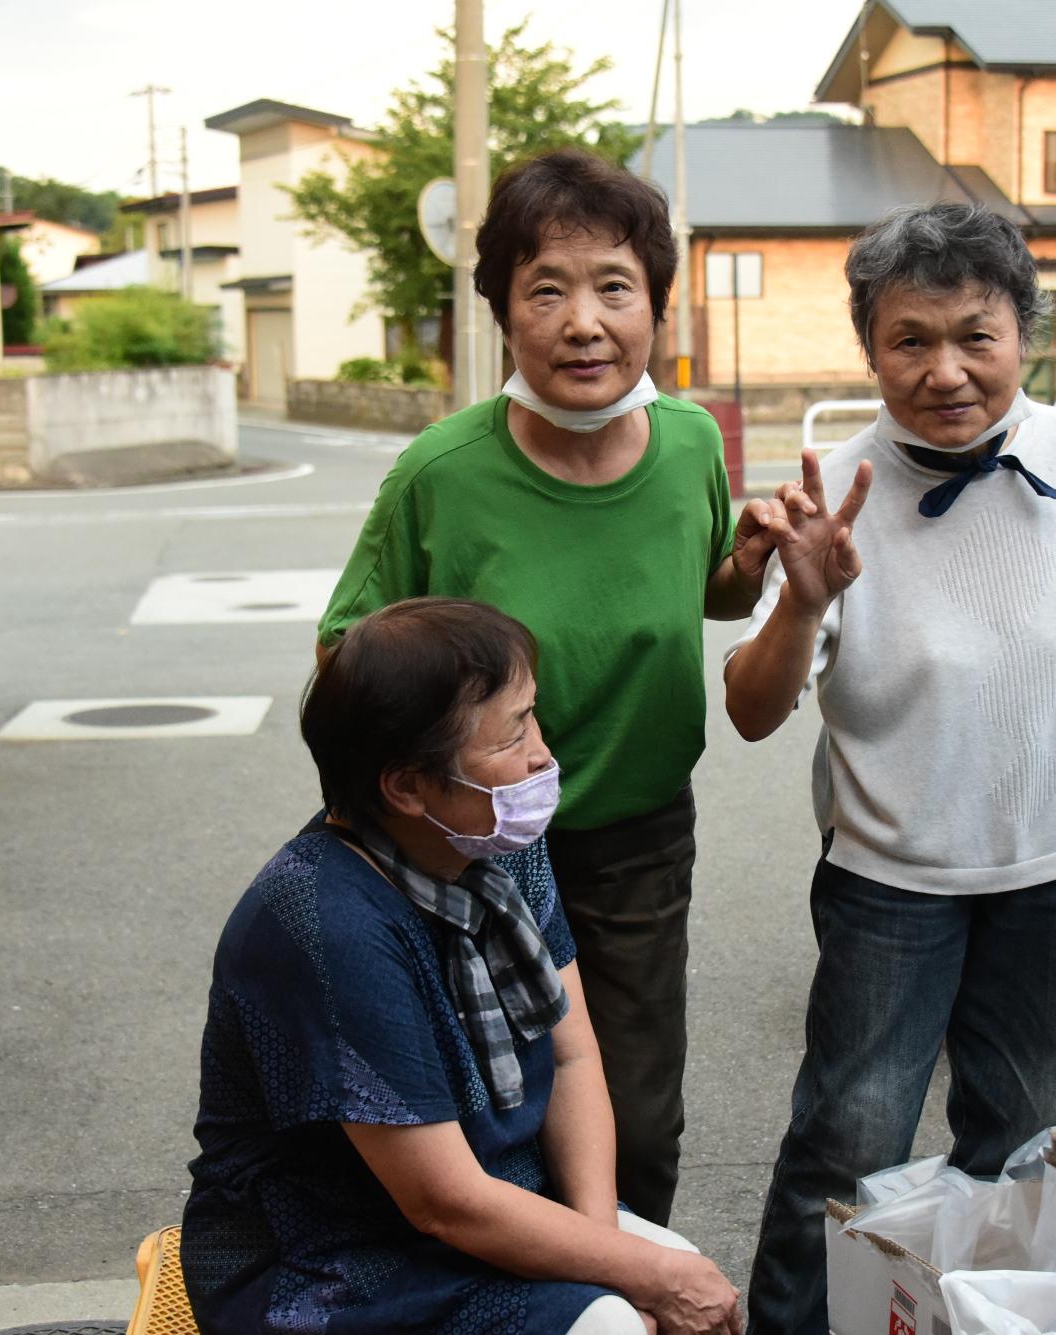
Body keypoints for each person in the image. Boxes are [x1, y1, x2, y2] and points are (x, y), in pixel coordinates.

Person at [723, 203, 1056, 1335]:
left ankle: (981, 1317)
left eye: (976, 334)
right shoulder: (834, 481)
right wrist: (804, 603)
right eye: (908, 339)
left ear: (1025, 332)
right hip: (890, 885)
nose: (944, 371)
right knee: (845, 1137)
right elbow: (751, 710)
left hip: (1054, 875)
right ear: (868, 348)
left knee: (1021, 1134)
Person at [317, 149, 787, 1225]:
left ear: (658, 306)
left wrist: (750, 563)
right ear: (501, 313)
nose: (584, 321)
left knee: (635, 1115)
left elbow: (700, 587)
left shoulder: (687, 444)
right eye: (547, 289)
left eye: (614, 287)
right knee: (478, 1109)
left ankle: (628, 1294)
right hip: (463, 845)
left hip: (635, 842)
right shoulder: (440, 471)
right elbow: (347, 650)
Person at [182, 598, 743, 1335]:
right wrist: (624, 1275)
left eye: (533, 716)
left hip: (494, 1201)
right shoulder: (326, 922)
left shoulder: (498, 847)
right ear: (408, 786)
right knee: (613, 1319)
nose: (543, 753)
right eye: (512, 734)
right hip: (328, 1260)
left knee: (673, 1281)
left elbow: (572, 1055)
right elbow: (439, 1200)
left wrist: (608, 1249)